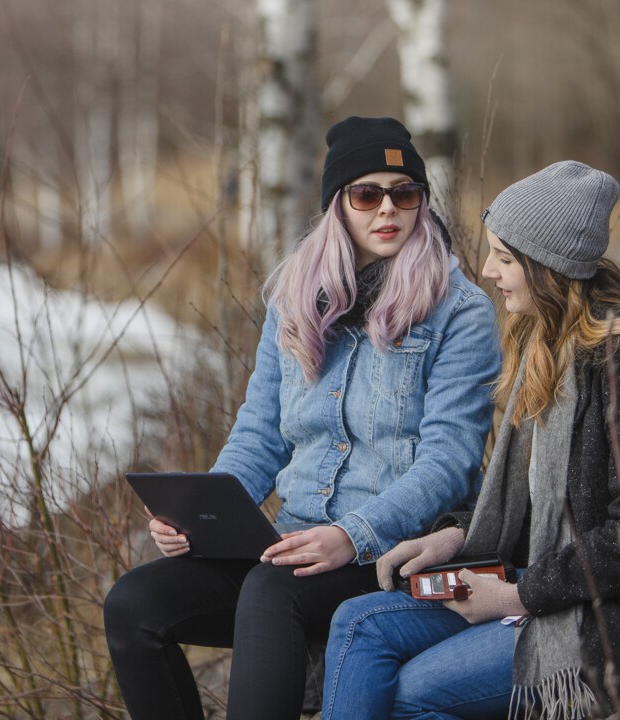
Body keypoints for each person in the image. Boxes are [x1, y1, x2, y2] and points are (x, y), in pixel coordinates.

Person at [103, 116, 501, 720]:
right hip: (291, 541)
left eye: (406, 193)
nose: (388, 209)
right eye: (368, 194)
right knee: (134, 603)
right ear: (337, 205)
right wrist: (202, 516)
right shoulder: (294, 298)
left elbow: (449, 462)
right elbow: (261, 432)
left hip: (385, 552)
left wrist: (351, 535)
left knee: (272, 589)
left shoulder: (459, 311)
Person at [320, 160, 620, 719]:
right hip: (547, 581)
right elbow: (538, 507)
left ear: (548, 267)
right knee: (358, 624)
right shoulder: (543, 348)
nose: (486, 270)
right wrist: (454, 539)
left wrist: (513, 599)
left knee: (408, 696)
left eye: (504, 258)